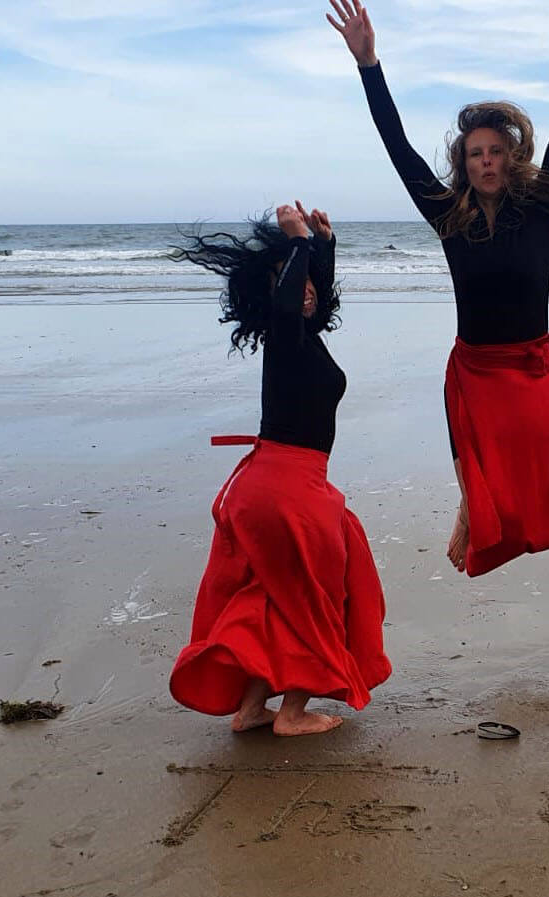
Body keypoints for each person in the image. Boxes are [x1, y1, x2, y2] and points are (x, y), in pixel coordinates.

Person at [330, 0, 549, 577]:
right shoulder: (447, 215)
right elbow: (398, 148)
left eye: (494, 151)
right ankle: (472, 506)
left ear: (510, 156)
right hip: (476, 370)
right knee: (479, 458)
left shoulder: (540, 207)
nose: (485, 162)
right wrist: (369, 64)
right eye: (474, 154)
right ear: (462, 164)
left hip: (533, 363)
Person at [167, 201, 391, 736]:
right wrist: (294, 247)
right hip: (287, 486)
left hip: (272, 481)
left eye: (308, 280)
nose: (305, 287)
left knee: (272, 596)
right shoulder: (284, 335)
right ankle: (291, 713)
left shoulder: (302, 339)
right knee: (320, 595)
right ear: (271, 296)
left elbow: (313, 298)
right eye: (293, 281)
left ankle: (250, 709)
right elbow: (293, 304)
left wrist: (321, 248)